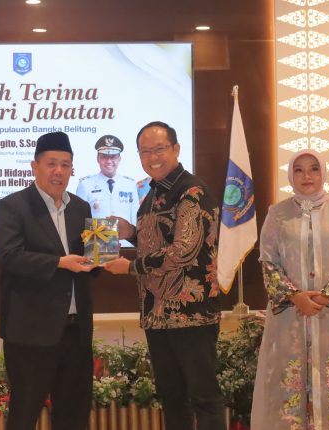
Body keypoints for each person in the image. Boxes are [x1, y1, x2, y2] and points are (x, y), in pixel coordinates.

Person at [104, 121, 225, 430]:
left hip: (190, 313)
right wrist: (131, 233)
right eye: (145, 151)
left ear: (176, 149)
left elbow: (185, 250)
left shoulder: (191, 192)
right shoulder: (152, 192)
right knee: (172, 397)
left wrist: (131, 267)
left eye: (159, 149)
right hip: (157, 314)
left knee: (204, 397)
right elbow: (160, 241)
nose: (153, 157)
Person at [250, 150, 329, 429]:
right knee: (288, 377)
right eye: (299, 169)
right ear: (290, 175)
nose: (306, 176)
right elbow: (268, 261)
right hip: (290, 316)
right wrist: (295, 296)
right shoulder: (277, 214)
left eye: (313, 169)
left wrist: (325, 296)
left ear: (323, 173)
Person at [0, 131, 95, 430]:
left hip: (75, 332)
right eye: (51, 163)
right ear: (34, 166)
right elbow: (9, 256)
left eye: (65, 164)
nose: (59, 171)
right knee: (24, 415)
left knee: (74, 416)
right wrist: (59, 263)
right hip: (31, 333)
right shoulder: (13, 206)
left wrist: (104, 258)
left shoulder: (81, 207)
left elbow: (89, 262)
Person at [75, 134, 139, 226]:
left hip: (126, 236)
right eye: (104, 157)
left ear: (119, 159)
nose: (109, 161)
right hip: (96, 236)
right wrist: (110, 229)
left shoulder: (130, 184)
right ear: (98, 159)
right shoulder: (85, 185)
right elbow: (79, 220)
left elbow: (136, 220)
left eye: (113, 157)